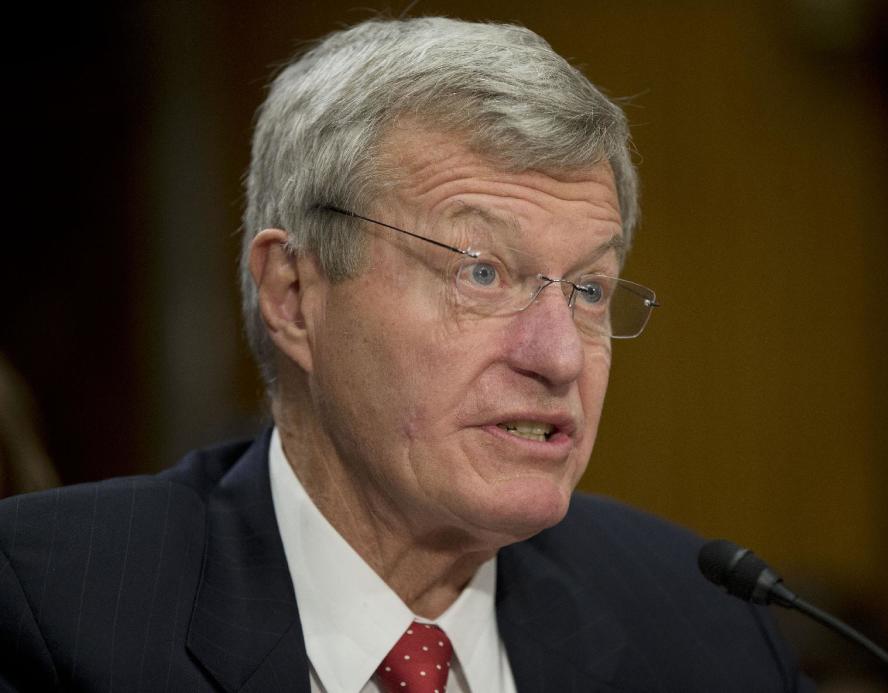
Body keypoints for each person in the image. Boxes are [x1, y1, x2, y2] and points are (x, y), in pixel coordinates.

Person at [0, 17, 813, 692]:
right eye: (482, 272)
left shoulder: (709, 631)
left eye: (590, 290)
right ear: (293, 292)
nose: (560, 357)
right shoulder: (53, 604)